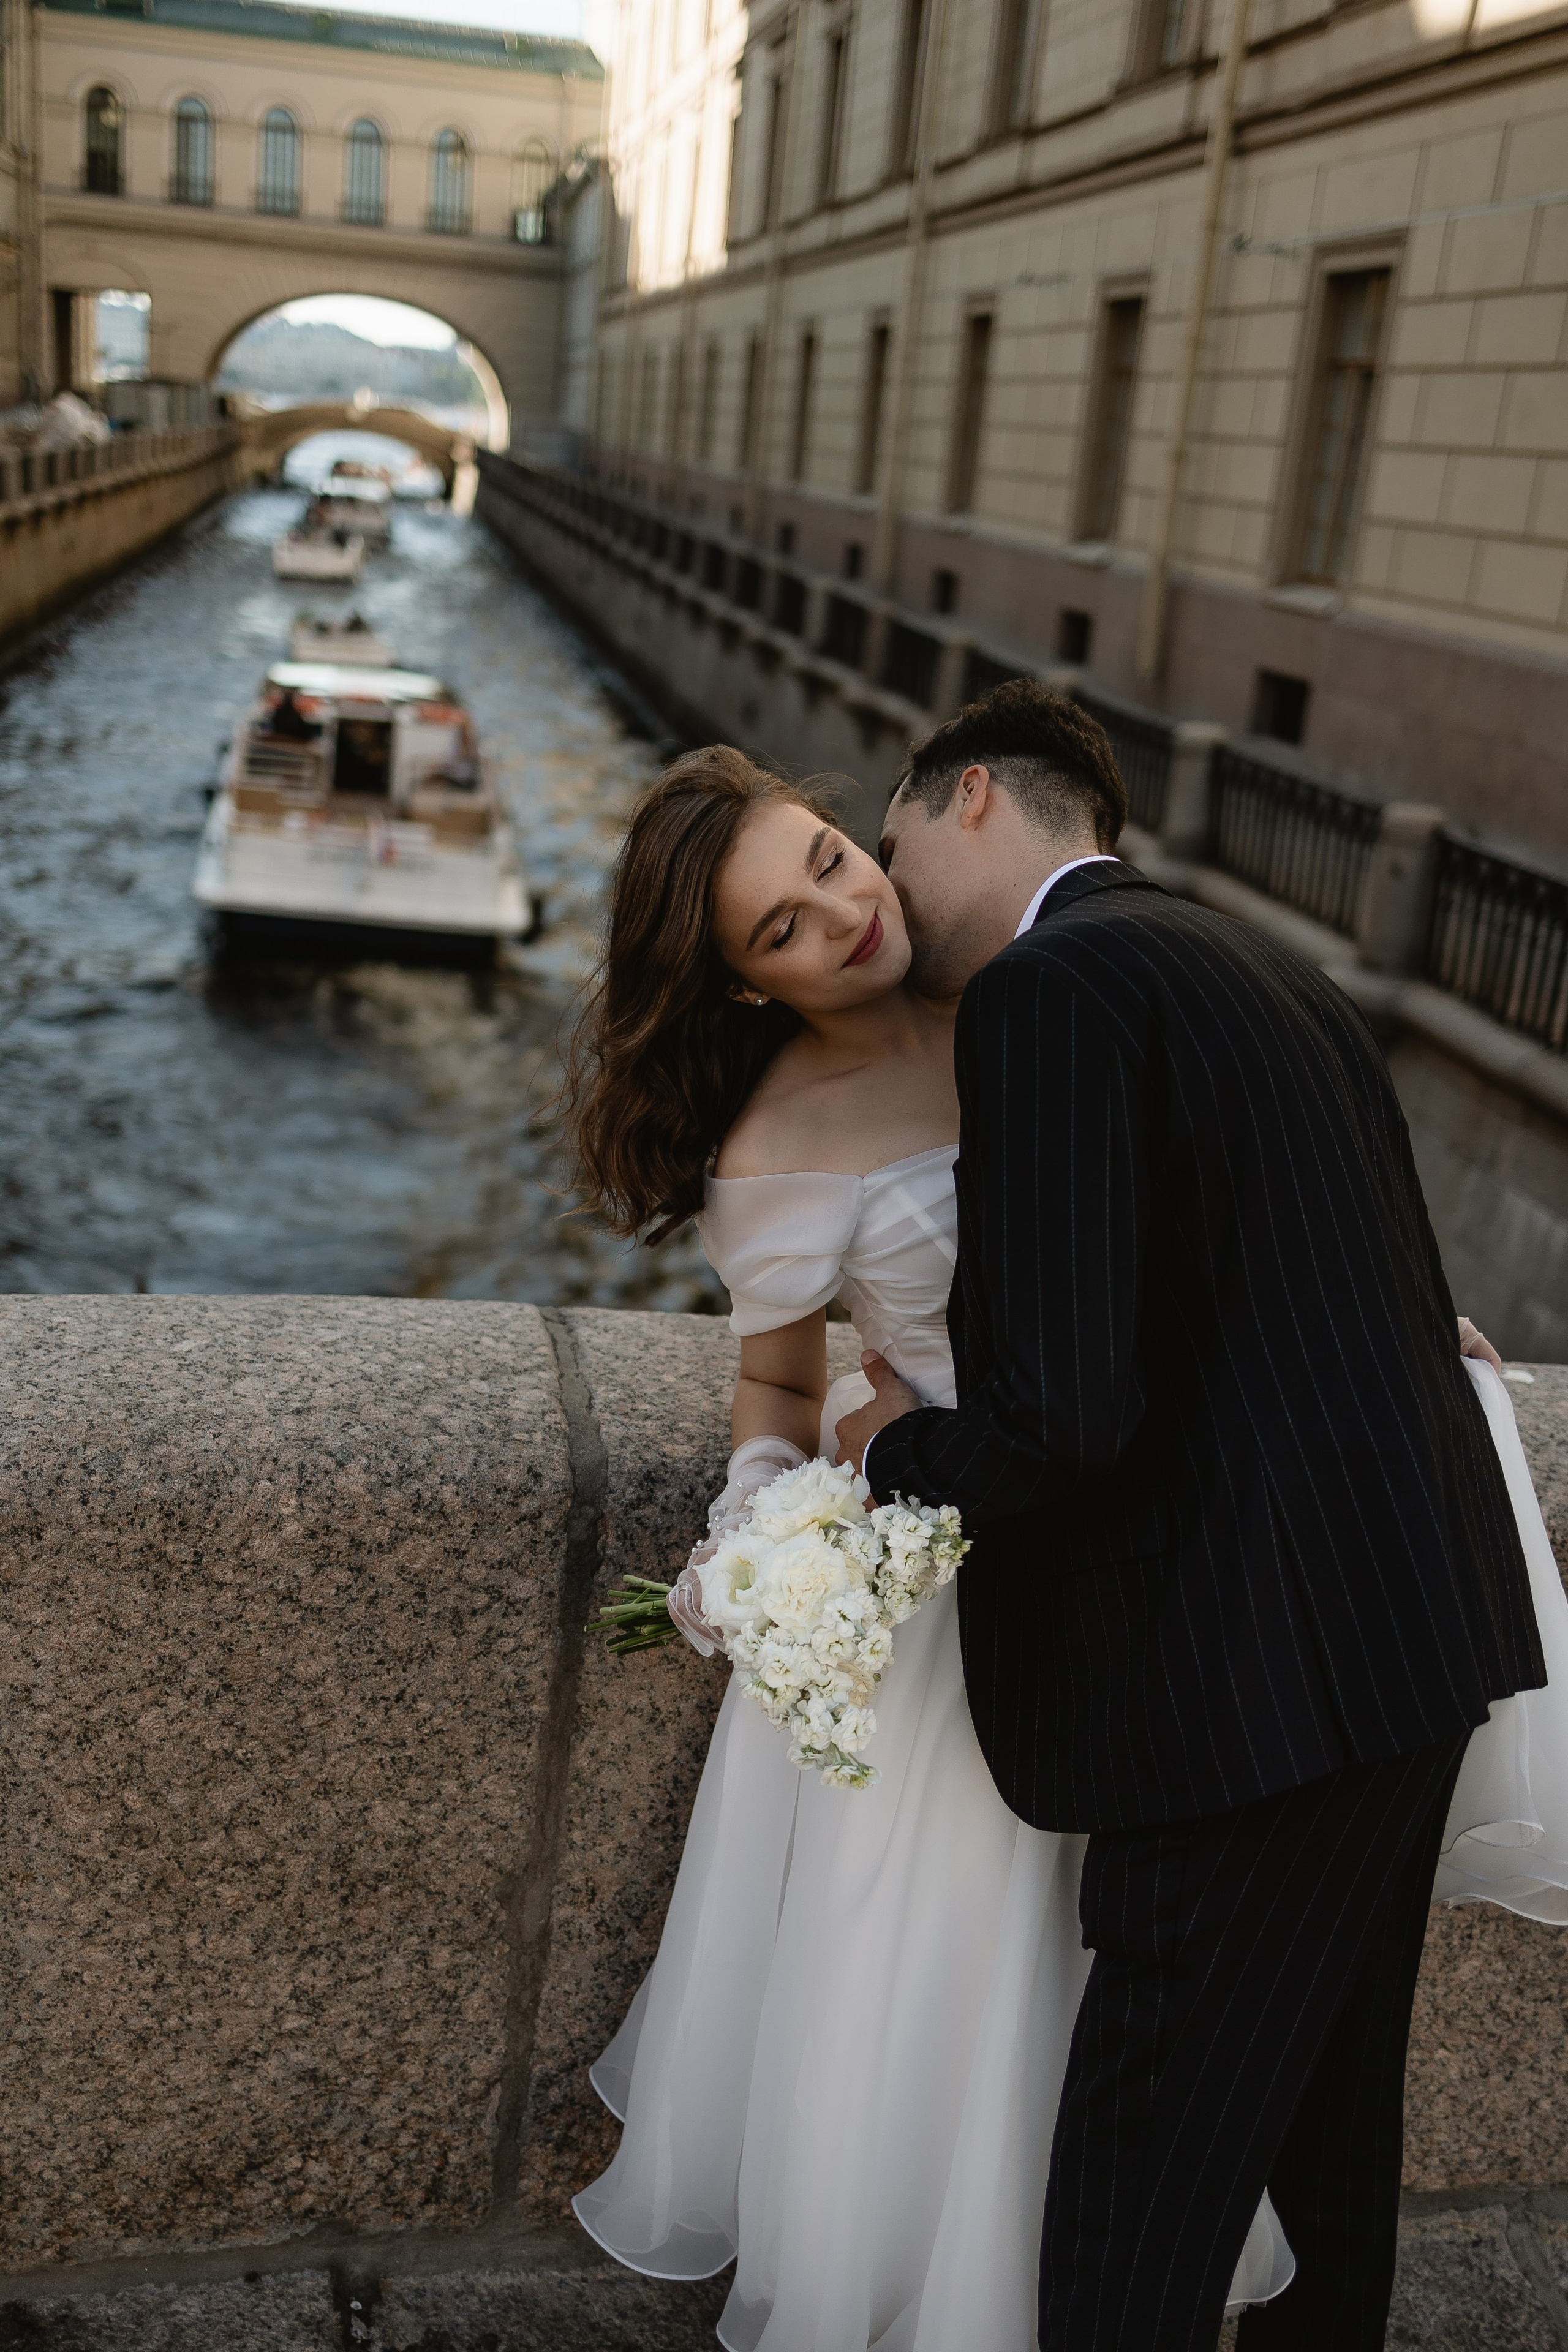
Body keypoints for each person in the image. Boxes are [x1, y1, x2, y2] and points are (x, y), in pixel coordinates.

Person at [561, 717, 1567, 2352]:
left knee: (1142, 2181)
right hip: (1297, 1623)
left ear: (946, 803)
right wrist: (781, 1519)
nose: (853, 900)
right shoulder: (1221, 962)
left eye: (839, 855)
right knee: (1294, 2150)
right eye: (789, 921)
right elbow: (811, 1381)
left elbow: (1094, 1370)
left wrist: (893, 1453)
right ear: (748, 981)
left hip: (1208, 1647)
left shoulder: (1037, 987)